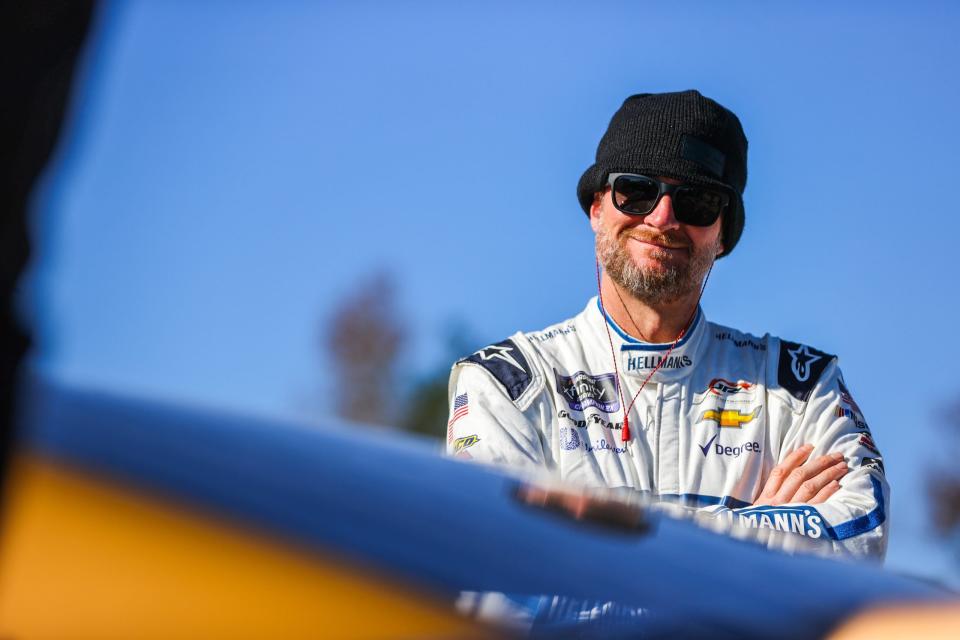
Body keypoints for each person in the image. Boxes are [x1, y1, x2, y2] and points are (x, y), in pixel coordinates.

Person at [445, 90, 887, 559]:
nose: (662, 217)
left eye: (696, 201)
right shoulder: (506, 382)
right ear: (597, 208)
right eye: (636, 190)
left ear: (722, 234)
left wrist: (597, 533)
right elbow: (495, 562)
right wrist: (751, 530)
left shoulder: (801, 385)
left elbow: (862, 538)